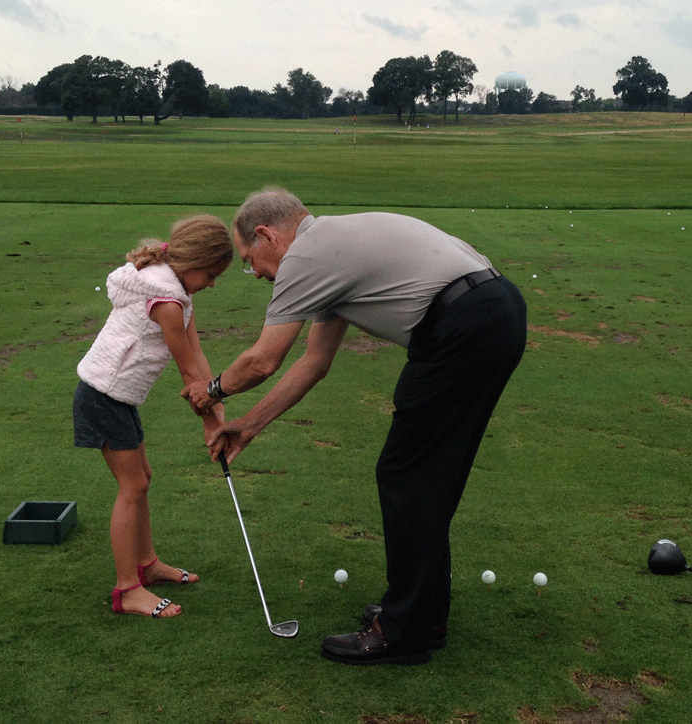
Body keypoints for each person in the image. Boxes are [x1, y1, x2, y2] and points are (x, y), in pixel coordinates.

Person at [182, 187, 526, 664]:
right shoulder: (332, 249)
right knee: (425, 476)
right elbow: (314, 363)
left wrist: (213, 390)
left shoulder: (305, 257)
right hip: (494, 311)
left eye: (249, 259)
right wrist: (248, 426)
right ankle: (421, 615)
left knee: (406, 475)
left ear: (266, 234)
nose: (255, 271)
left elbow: (263, 361)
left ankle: (404, 632)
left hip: (462, 326)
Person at [74, 214, 233, 618]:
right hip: (101, 395)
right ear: (194, 262)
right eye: (212, 274)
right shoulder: (165, 301)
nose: (213, 283)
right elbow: (186, 372)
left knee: (143, 479)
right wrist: (210, 421)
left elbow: (198, 358)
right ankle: (127, 589)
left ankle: (147, 564)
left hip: (120, 398)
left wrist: (219, 412)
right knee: (132, 486)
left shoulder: (179, 293)